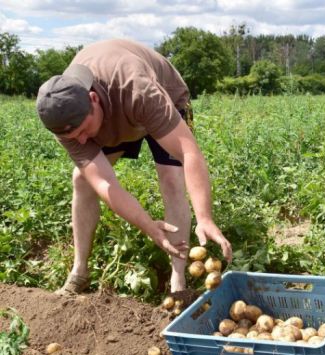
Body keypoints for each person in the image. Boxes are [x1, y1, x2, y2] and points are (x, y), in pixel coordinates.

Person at [36, 39, 232, 296]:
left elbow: (189, 153)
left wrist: (205, 217)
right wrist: (148, 226)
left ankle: (177, 280)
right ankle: (79, 272)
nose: (82, 141)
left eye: (84, 131)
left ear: (93, 99)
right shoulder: (63, 117)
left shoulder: (138, 91)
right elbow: (105, 184)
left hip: (164, 98)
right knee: (82, 180)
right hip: (115, 117)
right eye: (74, 138)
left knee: (171, 179)